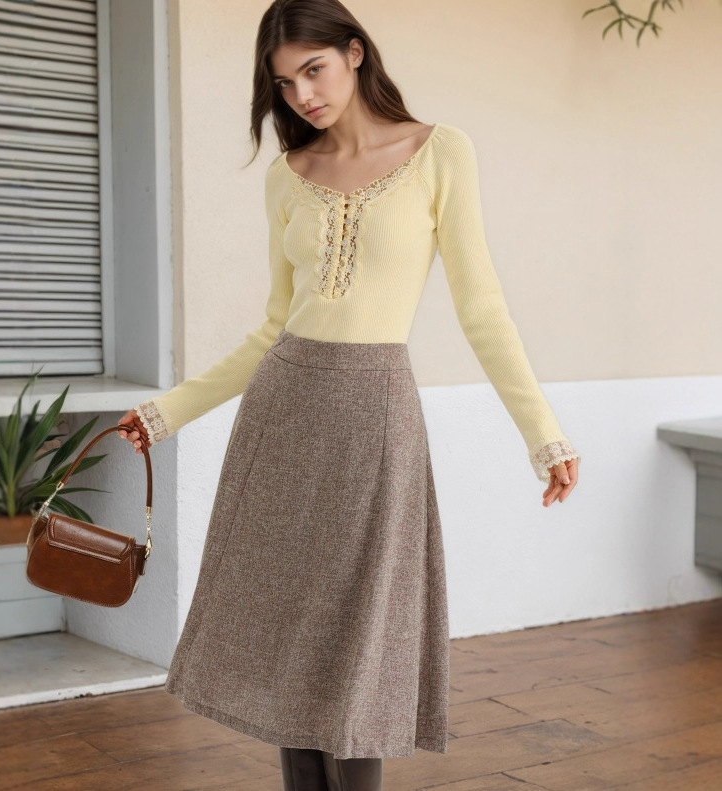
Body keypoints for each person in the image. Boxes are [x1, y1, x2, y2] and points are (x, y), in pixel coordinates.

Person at [118, 1, 580, 788]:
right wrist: (167, 413)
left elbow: (481, 306)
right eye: (284, 83)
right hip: (283, 417)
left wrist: (543, 433)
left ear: (354, 53)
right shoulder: (286, 176)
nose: (302, 95)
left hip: (376, 417)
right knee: (285, 634)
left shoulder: (440, 152)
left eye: (314, 70)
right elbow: (274, 327)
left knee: (362, 636)